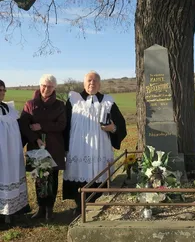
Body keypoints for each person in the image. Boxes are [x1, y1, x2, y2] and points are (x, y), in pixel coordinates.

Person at [63, 71, 127, 214]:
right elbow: (65, 124)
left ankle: (97, 204)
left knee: (99, 172)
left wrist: (113, 128)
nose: (92, 83)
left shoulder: (108, 101)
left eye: (95, 81)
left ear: (99, 84)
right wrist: (64, 146)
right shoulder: (74, 99)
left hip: (100, 146)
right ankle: (79, 205)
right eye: (89, 80)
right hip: (78, 146)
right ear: (84, 83)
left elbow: (121, 124)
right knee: (79, 172)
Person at [19, 74, 66, 220]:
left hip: (53, 146)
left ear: (54, 88)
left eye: (50, 86)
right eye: (44, 85)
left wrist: (42, 126)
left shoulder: (60, 105)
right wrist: (36, 138)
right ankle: (41, 208)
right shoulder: (30, 104)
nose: (46, 89)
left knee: (51, 178)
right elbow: (24, 125)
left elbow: (62, 125)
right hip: (37, 147)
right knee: (39, 178)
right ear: (39, 86)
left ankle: (50, 209)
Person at [0, 80, 29, 224]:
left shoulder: (10, 109)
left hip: (12, 153)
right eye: (0, 90)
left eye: (4, 90)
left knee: (12, 176)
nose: (2, 93)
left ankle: (13, 210)